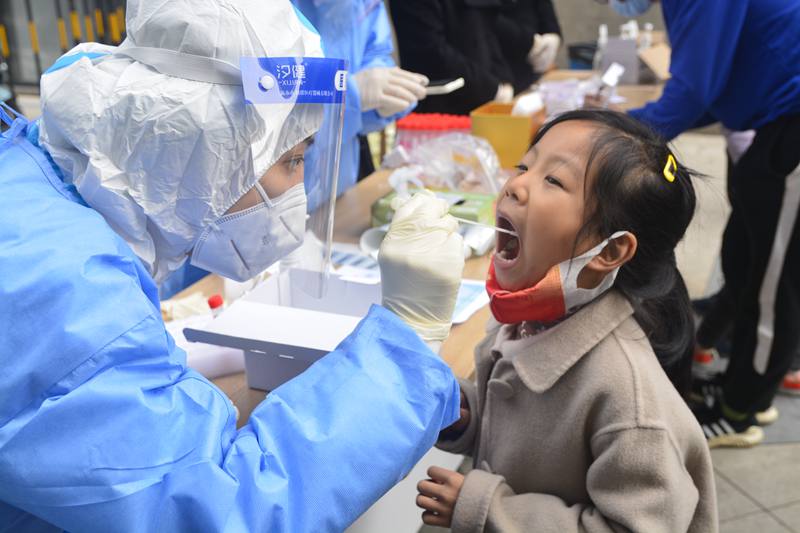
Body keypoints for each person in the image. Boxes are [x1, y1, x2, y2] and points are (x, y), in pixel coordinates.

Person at [0, 1, 465, 531]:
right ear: (204, 148)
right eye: (292, 160)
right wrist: (403, 344)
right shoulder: (67, 295)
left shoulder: (43, 193)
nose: (297, 190)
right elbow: (224, 508)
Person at [414, 110, 718, 531]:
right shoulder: (530, 321)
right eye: (525, 166)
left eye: (553, 181)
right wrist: (469, 416)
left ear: (608, 252)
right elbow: (532, 430)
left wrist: (489, 510)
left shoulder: (630, 404)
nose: (515, 185)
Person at [602, 0, 800, 448]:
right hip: (772, 123)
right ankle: (739, 384)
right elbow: (711, 89)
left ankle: (741, 411)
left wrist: (612, 134)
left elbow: (693, 90)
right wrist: (630, 124)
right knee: (745, 262)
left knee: (772, 288)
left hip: (789, 125)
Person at [292, 0, 428, 193]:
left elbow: (376, 53)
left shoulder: (366, 3)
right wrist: (350, 94)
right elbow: (268, 97)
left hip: (340, 178)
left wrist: (377, 108)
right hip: (280, 187)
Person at [389, 0, 515, 115]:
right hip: (438, 108)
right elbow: (433, 51)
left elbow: (486, 31)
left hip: (484, 99)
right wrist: (492, 88)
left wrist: (504, 79)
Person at [494, 0, 562, 93]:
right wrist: (531, 42)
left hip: (532, 73)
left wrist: (553, 39)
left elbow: (550, 24)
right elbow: (488, 19)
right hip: (499, 76)